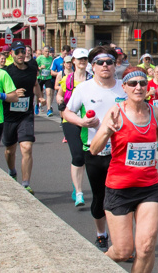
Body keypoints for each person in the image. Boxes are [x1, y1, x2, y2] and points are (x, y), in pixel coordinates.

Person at [90, 66, 158, 270]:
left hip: (149, 187)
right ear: (124, 87)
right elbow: (94, 149)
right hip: (119, 188)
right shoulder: (115, 112)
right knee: (123, 252)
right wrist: (106, 131)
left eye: (142, 83)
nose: (138, 87)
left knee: (147, 247)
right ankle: (95, 265)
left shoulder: (154, 112)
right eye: (133, 83)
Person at [62, 46, 126, 251]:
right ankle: (101, 234)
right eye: (100, 62)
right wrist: (81, 122)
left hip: (122, 151)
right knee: (99, 196)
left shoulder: (125, 87)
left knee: (120, 197)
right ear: (93, 66)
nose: (105, 65)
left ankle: (121, 241)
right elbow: (67, 113)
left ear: (115, 65)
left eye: (109, 62)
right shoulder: (83, 88)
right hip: (94, 150)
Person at [3, 41, 43, 193]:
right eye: (17, 52)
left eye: (23, 51)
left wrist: (40, 97)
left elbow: (35, 84)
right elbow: (0, 93)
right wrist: (12, 95)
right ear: (11, 53)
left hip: (26, 114)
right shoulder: (6, 72)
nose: (21, 54)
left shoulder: (32, 69)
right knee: (9, 150)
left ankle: (26, 184)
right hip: (9, 115)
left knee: (27, 147)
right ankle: (12, 171)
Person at [57, 48, 91, 207]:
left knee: (87, 156)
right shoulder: (67, 79)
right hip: (70, 120)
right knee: (77, 156)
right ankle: (78, 192)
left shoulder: (92, 79)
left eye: (85, 59)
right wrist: (60, 101)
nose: (82, 61)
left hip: (88, 120)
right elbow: (59, 94)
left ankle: (76, 180)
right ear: (74, 62)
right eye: (79, 59)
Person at [37, 46, 56, 116]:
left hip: (48, 77)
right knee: (39, 94)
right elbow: (35, 67)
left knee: (48, 92)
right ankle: (37, 105)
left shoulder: (51, 59)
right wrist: (40, 67)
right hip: (40, 77)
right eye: (46, 51)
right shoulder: (39, 58)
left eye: (48, 51)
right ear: (43, 52)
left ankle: (49, 109)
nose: (47, 53)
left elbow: (53, 67)